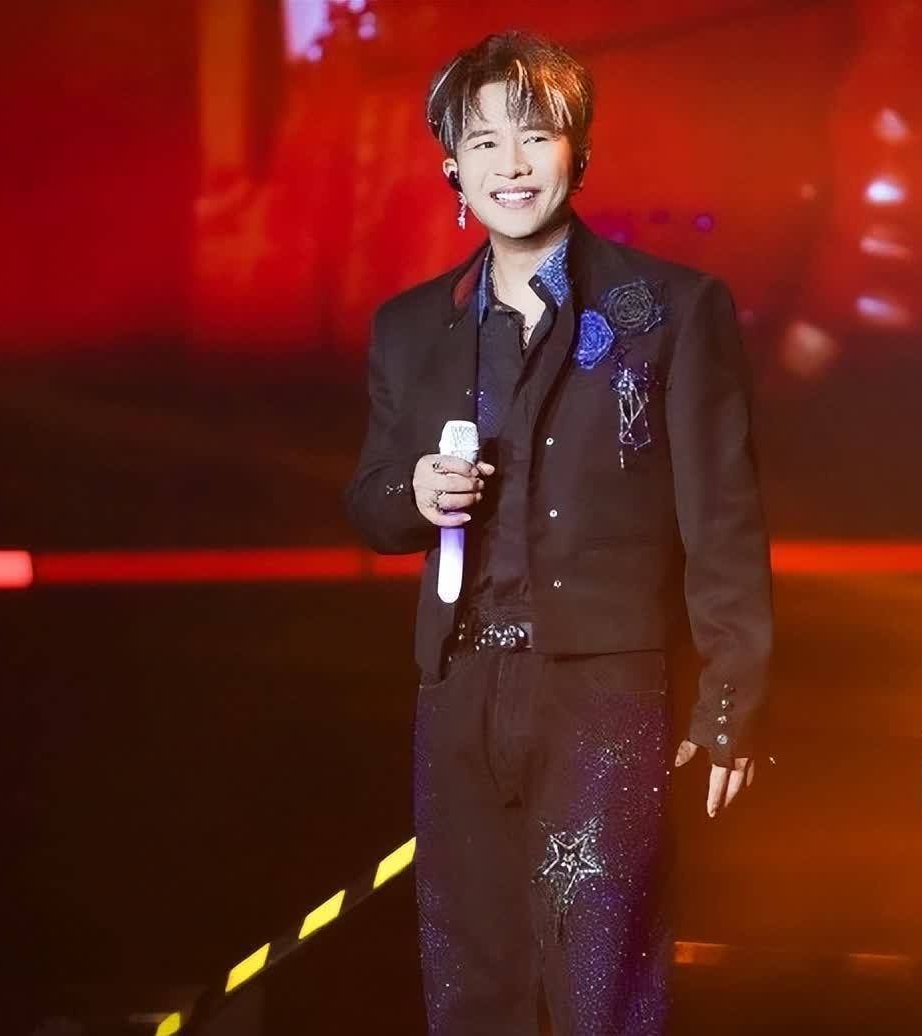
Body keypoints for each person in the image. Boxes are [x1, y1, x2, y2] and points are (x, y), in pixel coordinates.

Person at [343, 30, 772, 1036]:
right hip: (457, 690)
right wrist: (415, 491)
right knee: (473, 987)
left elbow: (723, 516)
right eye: (485, 142)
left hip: (603, 691)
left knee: (602, 990)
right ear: (452, 167)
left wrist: (733, 700)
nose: (512, 163)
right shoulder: (412, 327)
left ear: (579, 153)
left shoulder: (669, 310)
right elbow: (369, 500)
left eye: (535, 136)